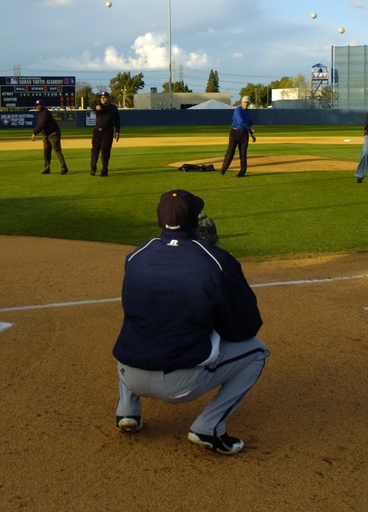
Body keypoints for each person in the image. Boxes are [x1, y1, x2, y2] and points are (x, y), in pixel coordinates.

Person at [112, 189, 269, 455]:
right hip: (179, 386)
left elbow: (131, 307)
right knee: (257, 351)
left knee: (140, 327)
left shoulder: (136, 256)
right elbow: (245, 326)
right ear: (195, 222)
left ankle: (127, 410)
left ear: (159, 220)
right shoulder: (216, 261)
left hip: (128, 372)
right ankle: (209, 427)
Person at [220, 96, 256, 177]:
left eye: (247, 103)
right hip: (235, 132)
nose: (246, 104)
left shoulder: (249, 113)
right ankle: (223, 169)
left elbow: (249, 124)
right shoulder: (238, 110)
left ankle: (242, 172)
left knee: (243, 154)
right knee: (230, 151)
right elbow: (240, 122)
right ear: (241, 102)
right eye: (245, 102)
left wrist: (252, 134)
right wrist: (250, 127)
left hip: (244, 134)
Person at [31, 100, 68, 175]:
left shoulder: (45, 113)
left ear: (43, 105)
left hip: (53, 133)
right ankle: (47, 168)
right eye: (37, 105)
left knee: (56, 150)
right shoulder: (40, 113)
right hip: (46, 135)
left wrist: (34, 132)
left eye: (39, 105)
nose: (38, 106)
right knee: (46, 151)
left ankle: (64, 167)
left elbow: (42, 124)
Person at [90, 91, 120, 177]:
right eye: (101, 97)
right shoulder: (99, 106)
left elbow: (117, 120)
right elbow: (93, 106)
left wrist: (117, 131)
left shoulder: (113, 108)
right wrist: (96, 106)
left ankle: (104, 170)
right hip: (97, 132)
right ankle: (93, 168)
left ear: (108, 98)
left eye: (104, 97)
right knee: (94, 151)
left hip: (108, 132)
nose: (103, 99)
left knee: (105, 152)